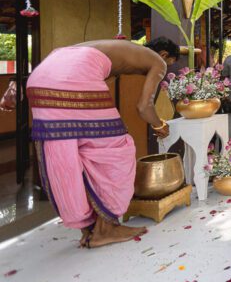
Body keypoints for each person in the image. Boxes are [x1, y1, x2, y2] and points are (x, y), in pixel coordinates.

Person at [24, 37, 179, 248]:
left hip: (39, 78)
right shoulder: (158, 62)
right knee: (117, 149)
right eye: (170, 64)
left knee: (73, 149)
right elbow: (144, 107)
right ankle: (106, 229)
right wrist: (159, 126)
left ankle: (89, 229)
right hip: (73, 76)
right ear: (164, 56)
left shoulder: (115, 52)